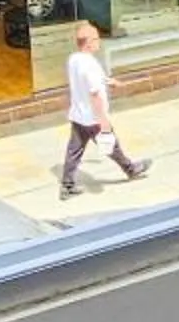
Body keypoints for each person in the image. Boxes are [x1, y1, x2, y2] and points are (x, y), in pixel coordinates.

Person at [58, 21, 149, 200]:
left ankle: (67, 185)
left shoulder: (74, 59)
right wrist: (104, 122)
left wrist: (108, 81)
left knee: (74, 151)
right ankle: (131, 169)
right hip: (93, 118)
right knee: (111, 146)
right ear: (88, 43)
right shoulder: (90, 65)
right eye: (96, 39)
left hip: (78, 116)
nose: (99, 41)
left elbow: (89, 81)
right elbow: (94, 94)